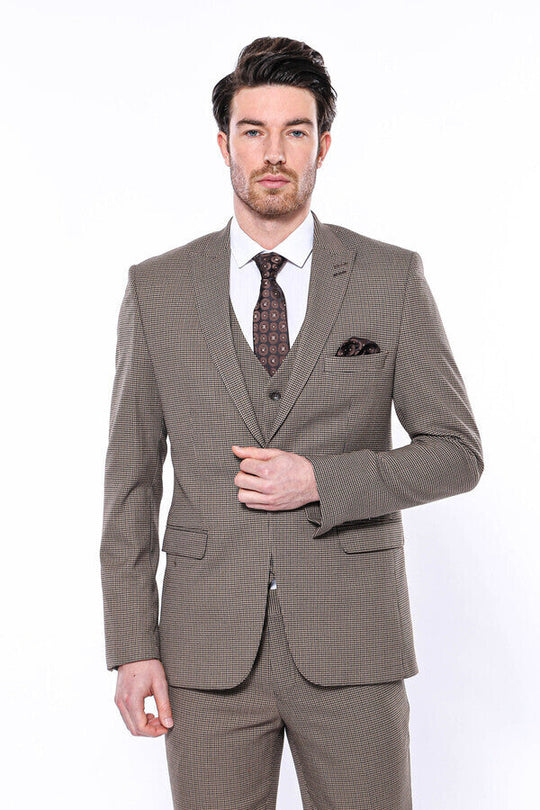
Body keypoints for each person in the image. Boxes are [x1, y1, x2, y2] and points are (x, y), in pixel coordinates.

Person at [100, 36, 483, 810]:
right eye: (254, 131)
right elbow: (130, 485)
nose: (274, 153)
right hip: (206, 651)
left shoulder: (389, 278)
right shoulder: (158, 289)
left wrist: (322, 481)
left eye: (295, 131)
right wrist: (133, 646)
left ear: (322, 146)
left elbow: (456, 453)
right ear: (225, 145)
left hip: (355, 644)